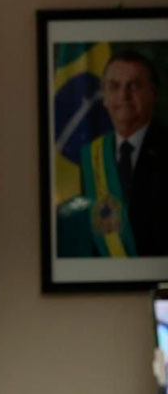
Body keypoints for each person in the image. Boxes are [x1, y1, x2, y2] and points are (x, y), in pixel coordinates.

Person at [63, 49, 168, 257]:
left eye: (134, 86)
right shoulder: (91, 156)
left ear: (153, 94)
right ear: (104, 97)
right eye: (114, 86)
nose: (123, 96)